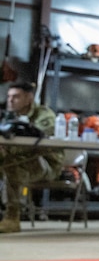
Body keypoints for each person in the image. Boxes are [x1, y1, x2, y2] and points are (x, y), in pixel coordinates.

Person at [0, 81, 64, 233]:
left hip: (46, 164)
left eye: (16, 97)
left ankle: (12, 218)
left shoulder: (44, 115)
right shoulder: (8, 116)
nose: (10, 100)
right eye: (9, 96)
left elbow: (37, 137)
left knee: (14, 164)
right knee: (11, 161)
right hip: (19, 159)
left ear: (29, 98)